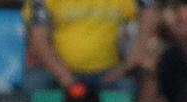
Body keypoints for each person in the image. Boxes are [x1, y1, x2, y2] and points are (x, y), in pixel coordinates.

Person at [25, 0, 156, 91]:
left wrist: (130, 63)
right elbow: (38, 38)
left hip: (109, 74)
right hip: (59, 73)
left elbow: (149, 12)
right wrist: (64, 76)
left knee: (127, 87)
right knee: (34, 84)